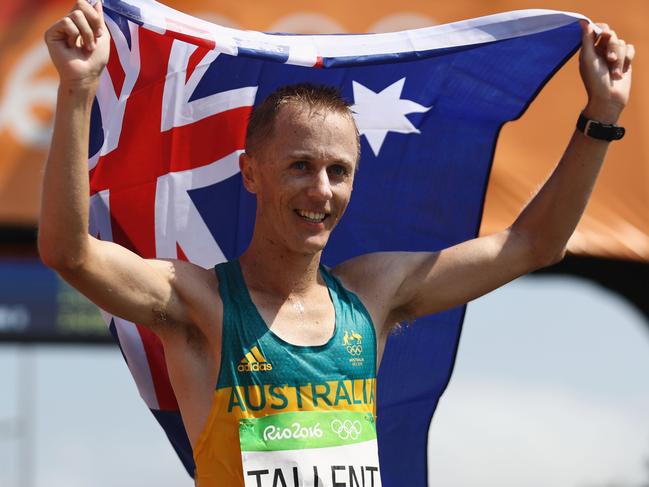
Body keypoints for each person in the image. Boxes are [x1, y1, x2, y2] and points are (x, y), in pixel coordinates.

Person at [40, 0, 634, 485]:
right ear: (251, 173)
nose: (321, 190)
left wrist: (601, 116)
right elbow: (70, 252)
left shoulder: (373, 293)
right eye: (299, 166)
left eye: (338, 171)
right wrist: (78, 91)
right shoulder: (200, 303)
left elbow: (533, 243)